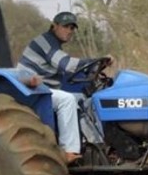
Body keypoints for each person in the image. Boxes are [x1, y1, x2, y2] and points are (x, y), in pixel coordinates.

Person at [16, 11, 108, 164]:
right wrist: (96, 60)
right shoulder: (45, 42)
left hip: (42, 89)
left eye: (72, 28)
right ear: (54, 26)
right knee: (67, 100)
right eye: (66, 26)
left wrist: (95, 66)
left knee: (88, 100)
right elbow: (66, 64)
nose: (69, 31)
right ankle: (68, 151)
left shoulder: (54, 45)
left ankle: (97, 144)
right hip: (30, 90)